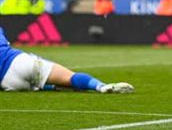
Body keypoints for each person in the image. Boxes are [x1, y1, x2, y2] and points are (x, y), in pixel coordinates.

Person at [0, 27, 133, 93]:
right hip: (18, 62)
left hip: (7, 82)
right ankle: (101, 86)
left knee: (37, 85)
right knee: (70, 77)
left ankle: (49, 86)